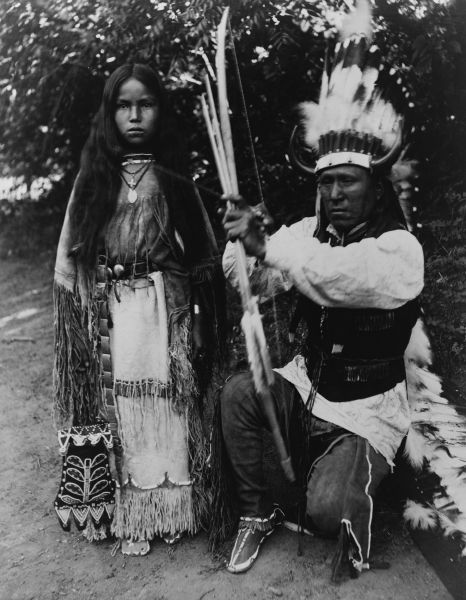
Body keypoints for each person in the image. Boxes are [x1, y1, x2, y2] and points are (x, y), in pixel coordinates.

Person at [215, 0, 425, 580]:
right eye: (326, 182)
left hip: (365, 410)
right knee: (239, 394)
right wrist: (244, 244)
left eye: (348, 183)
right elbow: (250, 277)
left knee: (328, 512)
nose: (334, 194)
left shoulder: (399, 250)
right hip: (310, 388)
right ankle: (257, 513)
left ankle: (332, 493)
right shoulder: (310, 233)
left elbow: (342, 278)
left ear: (375, 187)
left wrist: (270, 247)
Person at [53, 62, 224, 555]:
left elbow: (204, 260)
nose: (134, 115)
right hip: (113, 316)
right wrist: (81, 321)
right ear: (109, 115)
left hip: (163, 314)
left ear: (160, 112)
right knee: (123, 409)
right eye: (123, 106)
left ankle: (173, 508)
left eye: (144, 105)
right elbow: (69, 257)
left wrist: (196, 321)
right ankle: (129, 511)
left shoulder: (174, 180)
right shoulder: (92, 179)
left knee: (168, 408)